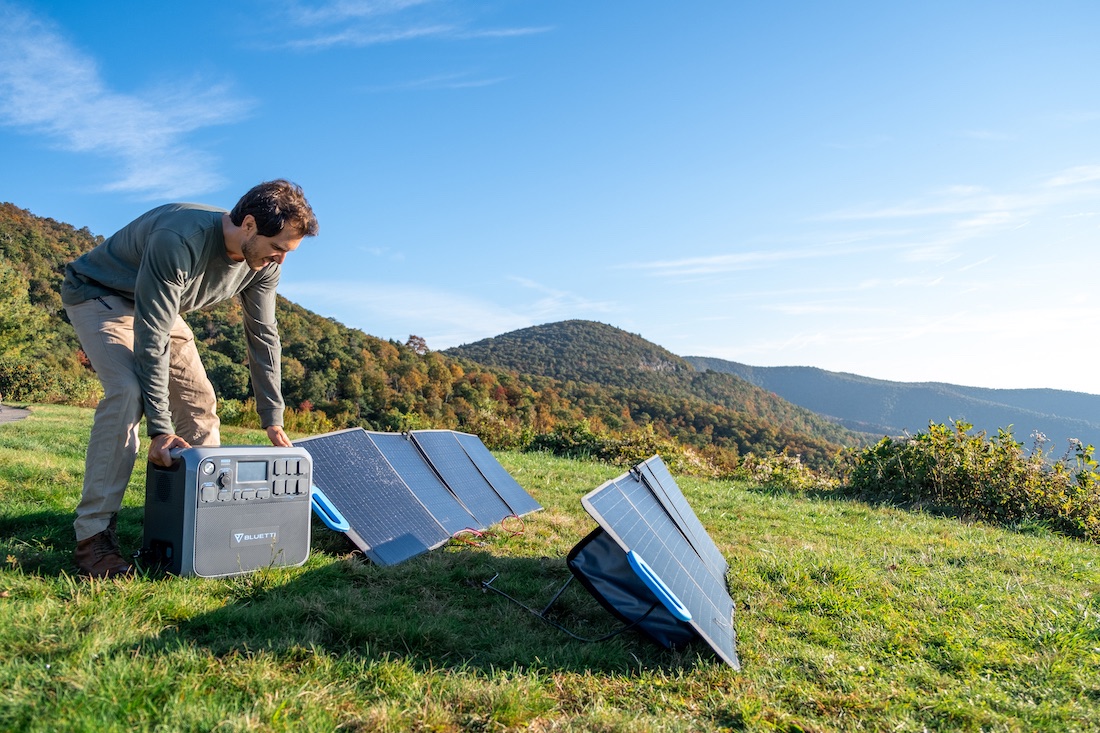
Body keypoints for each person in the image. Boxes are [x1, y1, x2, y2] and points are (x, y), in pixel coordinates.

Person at [61, 179, 318, 579]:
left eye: (288, 251)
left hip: (163, 310)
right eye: (278, 247)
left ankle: (200, 526)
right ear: (249, 224)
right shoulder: (179, 238)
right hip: (102, 296)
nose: (281, 259)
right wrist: (161, 430)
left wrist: (273, 417)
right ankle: (93, 539)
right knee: (128, 393)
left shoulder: (263, 265)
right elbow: (152, 335)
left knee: (200, 405)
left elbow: (264, 337)